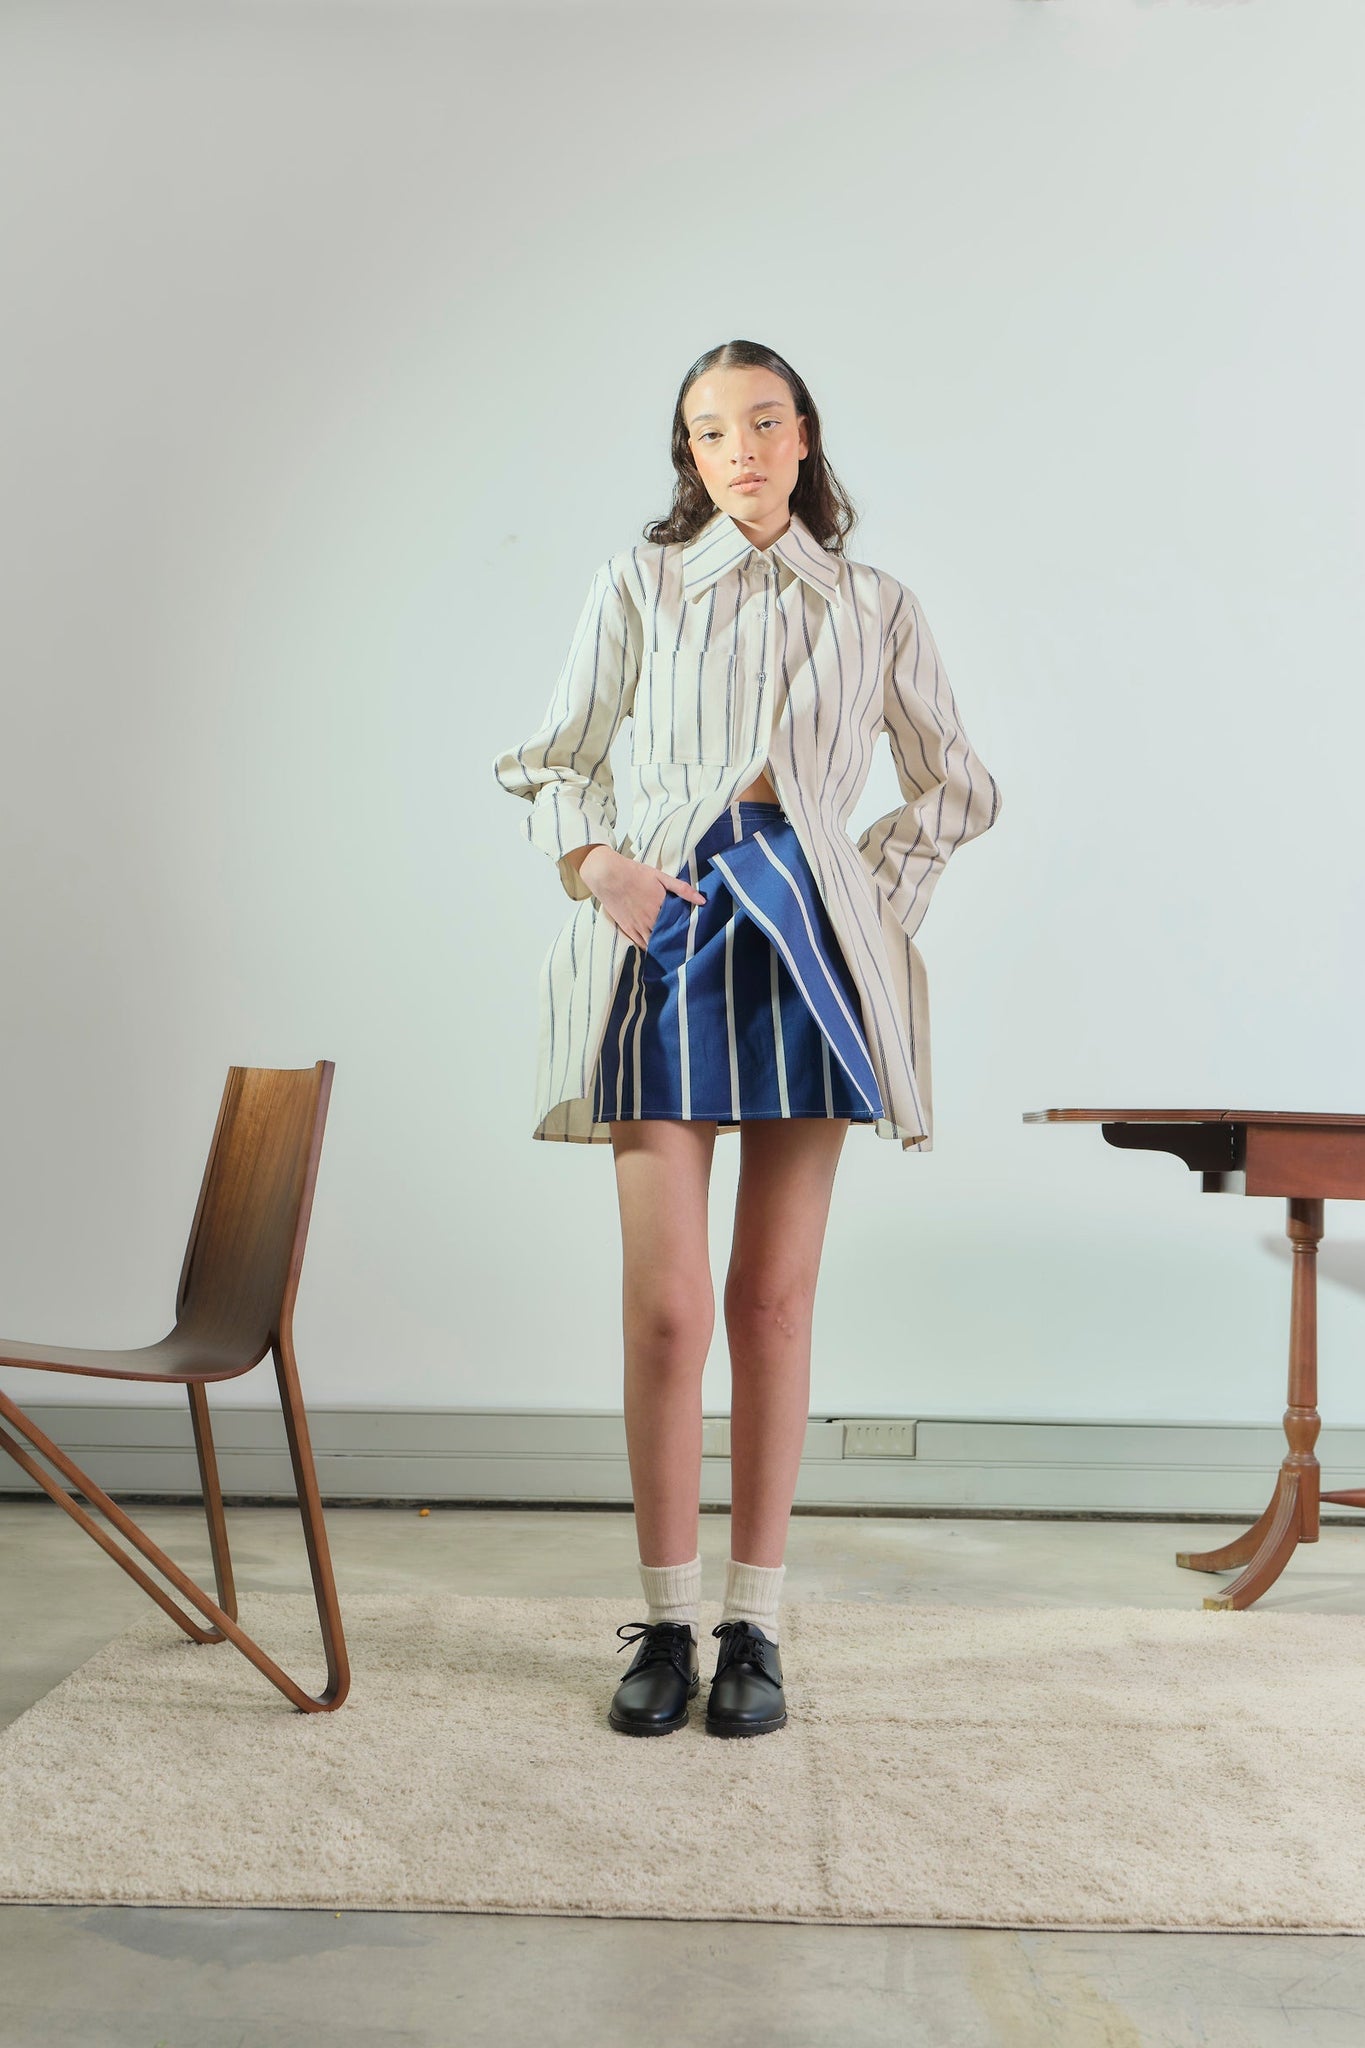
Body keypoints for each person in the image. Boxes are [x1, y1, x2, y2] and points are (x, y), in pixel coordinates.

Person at [492, 338, 1002, 1738]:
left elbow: (955, 787)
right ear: (690, 457)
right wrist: (597, 868)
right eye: (710, 430)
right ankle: (660, 1621)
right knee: (666, 1306)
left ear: (804, 437)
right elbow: (551, 758)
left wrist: (860, 903)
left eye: (762, 422)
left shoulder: (877, 606)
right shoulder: (638, 586)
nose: (740, 448)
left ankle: (755, 1629)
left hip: (804, 947)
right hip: (665, 936)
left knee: (771, 1303)